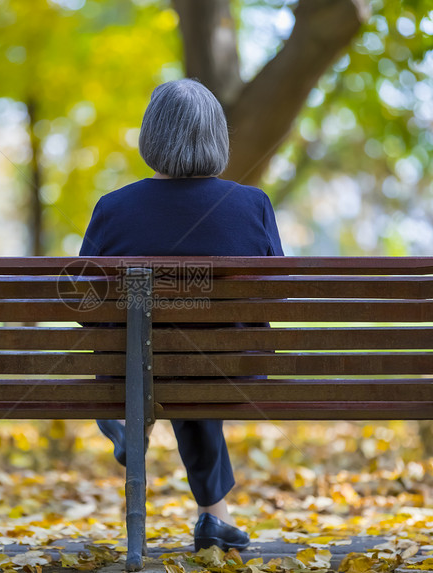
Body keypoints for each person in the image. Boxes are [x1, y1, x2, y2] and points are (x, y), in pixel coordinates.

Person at [78, 78, 283, 552]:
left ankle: (133, 423)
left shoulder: (113, 209)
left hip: (132, 371)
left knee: (162, 349)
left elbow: (85, 308)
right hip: (230, 369)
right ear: (217, 137)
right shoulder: (252, 206)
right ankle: (214, 517)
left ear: (152, 135)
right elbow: (275, 298)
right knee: (194, 354)